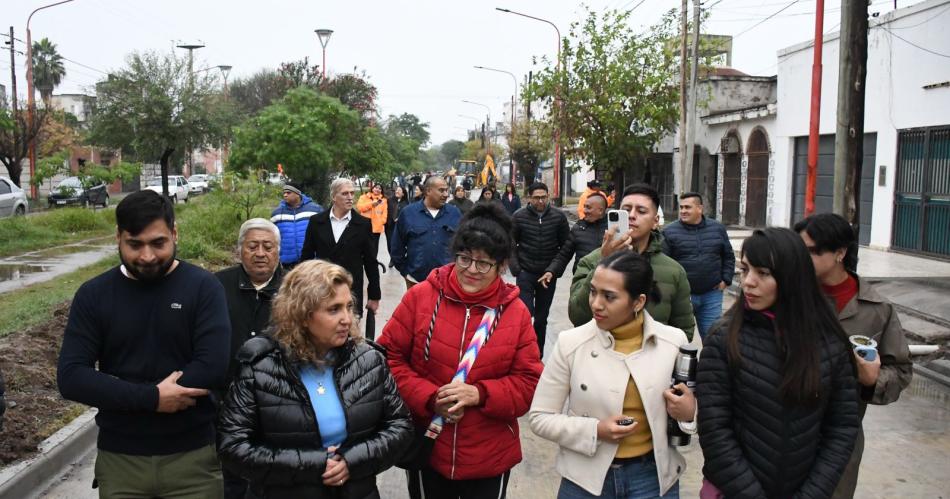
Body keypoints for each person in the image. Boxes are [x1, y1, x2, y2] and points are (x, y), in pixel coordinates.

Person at [58, 190, 230, 498]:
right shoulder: (94, 295)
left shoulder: (204, 288)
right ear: (118, 238)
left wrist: (126, 393)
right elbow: (71, 377)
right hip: (121, 462)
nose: (147, 256)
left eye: (158, 243)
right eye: (134, 244)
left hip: (193, 461)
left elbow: (213, 367)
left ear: (175, 233)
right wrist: (151, 398)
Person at [379, 203, 543, 499]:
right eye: (464, 259)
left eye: (484, 263)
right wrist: (430, 397)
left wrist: (480, 394)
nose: (471, 270)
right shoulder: (421, 297)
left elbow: (529, 383)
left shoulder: (515, 313)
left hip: (489, 454)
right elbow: (388, 360)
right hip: (428, 449)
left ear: (502, 265)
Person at [217, 260, 413, 498]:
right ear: (302, 315)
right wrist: (313, 465)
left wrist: (352, 462)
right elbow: (232, 447)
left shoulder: (369, 361)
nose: (347, 319)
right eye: (333, 309)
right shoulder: (260, 368)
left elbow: (400, 428)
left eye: (348, 307)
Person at [697, 227, 860, 499]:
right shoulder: (724, 339)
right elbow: (715, 430)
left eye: (763, 273)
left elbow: (841, 428)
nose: (748, 282)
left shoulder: (829, 342)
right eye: (745, 269)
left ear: (792, 278)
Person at [530, 251, 696, 498]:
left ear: (638, 302)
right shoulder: (571, 343)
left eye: (609, 297)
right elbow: (540, 417)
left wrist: (690, 412)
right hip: (586, 479)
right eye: (593, 291)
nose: (596, 304)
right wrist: (596, 430)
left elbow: (695, 410)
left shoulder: (672, 342)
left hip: (652, 478)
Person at [794, 213, 913, 499]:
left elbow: (900, 370)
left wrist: (872, 380)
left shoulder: (876, 309)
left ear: (840, 253)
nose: (801, 258)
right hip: (782, 430)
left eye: (811, 251)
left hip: (840, 436)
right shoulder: (788, 297)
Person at [569, 183, 696, 339]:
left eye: (641, 211)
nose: (632, 215)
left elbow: (684, 332)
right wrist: (604, 261)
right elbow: (577, 316)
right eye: (626, 210)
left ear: (655, 221)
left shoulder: (674, 271)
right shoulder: (591, 262)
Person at [213, 218, 282, 499]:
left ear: (278, 250)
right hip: (225, 404)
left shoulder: (295, 290)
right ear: (240, 250)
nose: (260, 253)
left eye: (268, 246)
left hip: (278, 406)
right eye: (252, 246)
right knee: (231, 479)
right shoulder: (215, 287)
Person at [300, 178, 382, 322]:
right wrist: (303, 289)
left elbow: (370, 262)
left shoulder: (363, 225)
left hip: (351, 291)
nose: (350, 197)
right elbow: (306, 258)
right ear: (333, 197)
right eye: (345, 194)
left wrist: (374, 296)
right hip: (322, 289)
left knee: (349, 335)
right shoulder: (316, 222)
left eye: (352, 193)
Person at [661, 192, 736, 339]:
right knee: (678, 340)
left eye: (687, 207)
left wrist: (725, 280)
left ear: (700, 209)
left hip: (711, 295)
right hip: (682, 298)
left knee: (713, 339)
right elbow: (664, 263)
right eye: (681, 207)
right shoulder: (669, 232)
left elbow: (728, 256)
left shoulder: (717, 229)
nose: (682, 211)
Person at [511, 182, 570, 357]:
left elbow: (565, 247)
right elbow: (510, 243)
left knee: (542, 319)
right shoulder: (518, 216)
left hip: (547, 274)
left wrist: (553, 270)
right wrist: (517, 269)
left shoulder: (558, 217)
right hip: (525, 273)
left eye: (544, 197)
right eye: (536, 198)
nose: (541, 201)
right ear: (529, 198)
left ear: (548, 196)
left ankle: (537, 355)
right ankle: (522, 354)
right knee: (524, 315)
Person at [390, 176, 462, 289]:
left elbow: (462, 246)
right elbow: (396, 247)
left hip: (447, 283)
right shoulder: (408, 213)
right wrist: (406, 272)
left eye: (447, 190)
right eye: (441, 190)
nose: (446, 194)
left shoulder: (454, 213)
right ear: (428, 191)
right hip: (415, 281)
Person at [542, 191, 609, 282]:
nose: (584, 211)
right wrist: (551, 271)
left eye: (588, 208)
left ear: (600, 210)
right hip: (581, 281)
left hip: (607, 281)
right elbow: (564, 255)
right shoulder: (578, 228)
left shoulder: (613, 229)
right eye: (584, 207)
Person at [270, 182, 323, 268]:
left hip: (311, 263)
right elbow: (272, 238)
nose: (285, 195)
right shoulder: (277, 214)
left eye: (288, 192)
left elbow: (323, 234)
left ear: (298, 194)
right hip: (286, 264)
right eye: (284, 193)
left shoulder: (315, 210)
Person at [357, 182, 389, 255]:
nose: (377, 189)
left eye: (380, 188)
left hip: (377, 227)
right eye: (376, 187)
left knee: (374, 247)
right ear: (372, 188)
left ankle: (373, 263)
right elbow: (360, 208)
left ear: (382, 191)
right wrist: (371, 204)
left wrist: (382, 221)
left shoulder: (383, 200)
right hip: (364, 226)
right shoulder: (364, 197)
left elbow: (385, 212)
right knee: (364, 245)